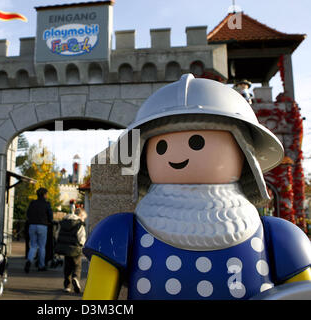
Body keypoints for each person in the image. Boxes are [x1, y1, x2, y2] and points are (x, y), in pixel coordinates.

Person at [82, 74, 311, 300]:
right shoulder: (120, 232)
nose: (176, 155)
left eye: (197, 142)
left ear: (245, 155)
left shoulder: (278, 236)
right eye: (160, 147)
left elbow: (302, 293)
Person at [55, 208, 87, 293]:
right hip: (75, 247)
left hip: (65, 247)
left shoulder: (64, 221)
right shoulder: (79, 223)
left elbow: (57, 234)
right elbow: (81, 237)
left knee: (67, 267)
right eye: (84, 217)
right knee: (77, 266)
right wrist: (82, 245)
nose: (84, 219)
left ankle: (67, 286)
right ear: (80, 215)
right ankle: (76, 278)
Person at [25, 187, 53, 273]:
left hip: (32, 225)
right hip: (43, 226)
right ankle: (41, 265)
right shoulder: (46, 204)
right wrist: (49, 221)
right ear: (44, 195)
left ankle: (29, 260)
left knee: (33, 245)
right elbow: (50, 216)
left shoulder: (32, 203)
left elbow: (28, 214)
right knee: (42, 246)